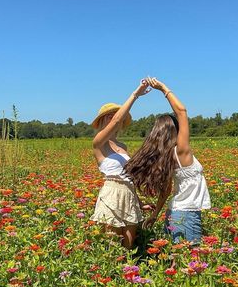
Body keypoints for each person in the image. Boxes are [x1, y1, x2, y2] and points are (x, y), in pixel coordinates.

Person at [123, 77, 211, 244]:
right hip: (187, 215)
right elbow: (182, 111)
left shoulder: (167, 157)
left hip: (175, 214)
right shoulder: (181, 151)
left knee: (176, 262)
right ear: (175, 130)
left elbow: (165, 191)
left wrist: (155, 215)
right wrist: (163, 88)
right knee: (191, 264)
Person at [90, 80, 150, 248]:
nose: (114, 117)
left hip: (129, 195)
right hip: (111, 194)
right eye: (109, 115)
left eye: (115, 114)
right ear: (102, 119)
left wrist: (139, 202)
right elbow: (116, 121)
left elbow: (128, 178)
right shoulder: (99, 143)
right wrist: (135, 94)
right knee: (112, 247)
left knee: (129, 246)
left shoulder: (123, 147)